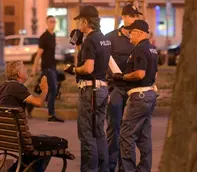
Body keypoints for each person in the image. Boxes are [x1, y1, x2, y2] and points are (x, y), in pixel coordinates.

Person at [64, 5, 111, 172]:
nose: (78, 26)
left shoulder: (90, 40)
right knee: (99, 133)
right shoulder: (103, 38)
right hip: (102, 89)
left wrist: (72, 69)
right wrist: (78, 46)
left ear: (85, 22)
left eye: (79, 22)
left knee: (86, 134)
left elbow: (88, 68)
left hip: (90, 91)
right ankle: (103, 169)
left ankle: (89, 169)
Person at [113, 20, 158, 172]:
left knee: (126, 135)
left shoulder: (140, 49)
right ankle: (144, 169)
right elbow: (154, 74)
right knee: (144, 136)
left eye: (131, 32)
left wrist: (122, 77)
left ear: (139, 32)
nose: (129, 35)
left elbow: (139, 73)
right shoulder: (152, 49)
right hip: (150, 94)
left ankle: (128, 170)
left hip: (138, 96)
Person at [105, 4, 141, 172]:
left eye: (136, 16)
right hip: (116, 90)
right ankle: (110, 167)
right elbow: (102, 63)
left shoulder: (140, 39)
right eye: (132, 16)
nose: (135, 19)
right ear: (124, 17)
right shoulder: (110, 38)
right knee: (114, 131)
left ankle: (125, 168)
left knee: (129, 134)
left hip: (133, 92)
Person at [0, 60, 51, 172]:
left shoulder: (3, 86)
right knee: (48, 143)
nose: (26, 69)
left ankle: (14, 170)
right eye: (23, 68)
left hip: (4, 134)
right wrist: (45, 90)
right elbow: (39, 102)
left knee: (35, 150)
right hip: (16, 137)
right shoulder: (17, 87)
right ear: (18, 74)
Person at [32, 15, 64, 122]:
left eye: (54, 22)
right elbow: (38, 54)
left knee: (44, 89)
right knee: (53, 89)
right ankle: (51, 115)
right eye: (51, 22)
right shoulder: (44, 37)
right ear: (46, 23)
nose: (53, 24)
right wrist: (34, 67)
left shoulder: (53, 35)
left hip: (53, 67)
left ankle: (30, 105)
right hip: (47, 68)